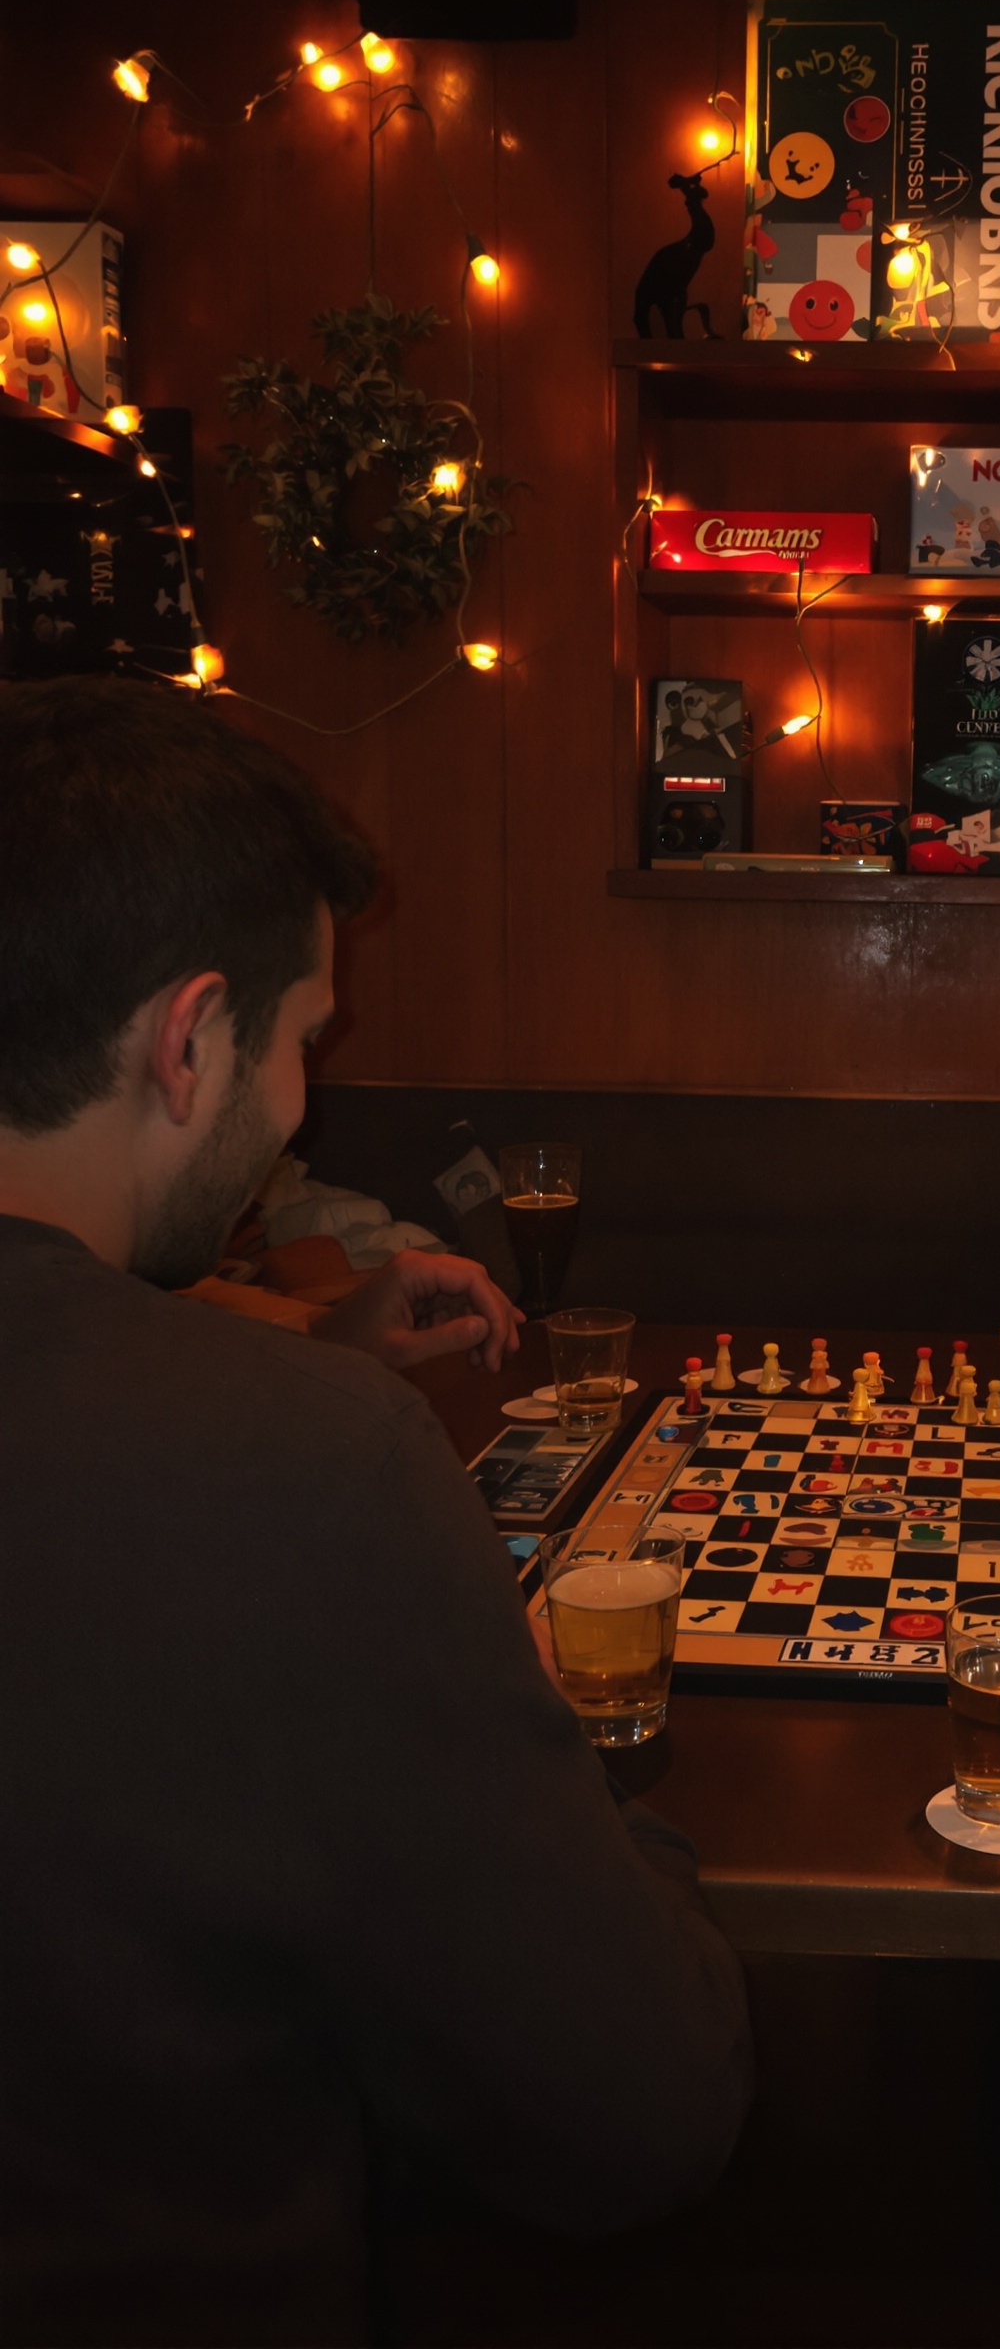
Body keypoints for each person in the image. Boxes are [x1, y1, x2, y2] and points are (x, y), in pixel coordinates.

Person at [0, 680, 751, 2344]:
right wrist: (582, 1749)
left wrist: (279, 1363)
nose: (303, 1105)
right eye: (302, 1044)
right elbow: (635, 2114)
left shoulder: (264, 1426)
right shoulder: (311, 1471)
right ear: (186, 1043)